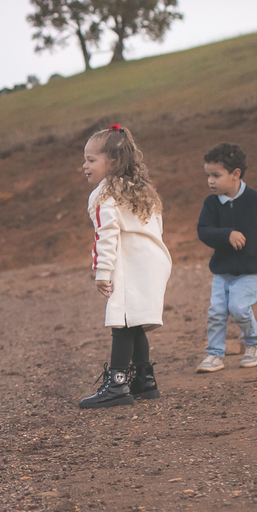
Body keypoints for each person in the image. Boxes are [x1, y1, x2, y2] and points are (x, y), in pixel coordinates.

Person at [78, 124, 173, 408]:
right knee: (134, 323)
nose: (84, 165)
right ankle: (144, 381)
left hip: (131, 266)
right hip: (155, 261)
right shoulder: (142, 190)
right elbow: (156, 228)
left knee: (121, 323)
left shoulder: (103, 194)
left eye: (91, 160)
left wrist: (102, 273)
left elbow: (105, 236)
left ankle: (117, 386)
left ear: (114, 162)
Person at [195, 142, 257, 373]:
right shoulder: (211, 203)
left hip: (250, 270)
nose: (210, 181)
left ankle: (256, 344)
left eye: (216, 175)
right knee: (216, 312)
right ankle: (214, 355)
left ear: (235, 174)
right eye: (208, 175)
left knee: (238, 307)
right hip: (222, 271)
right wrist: (226, 235)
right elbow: (203, 231)